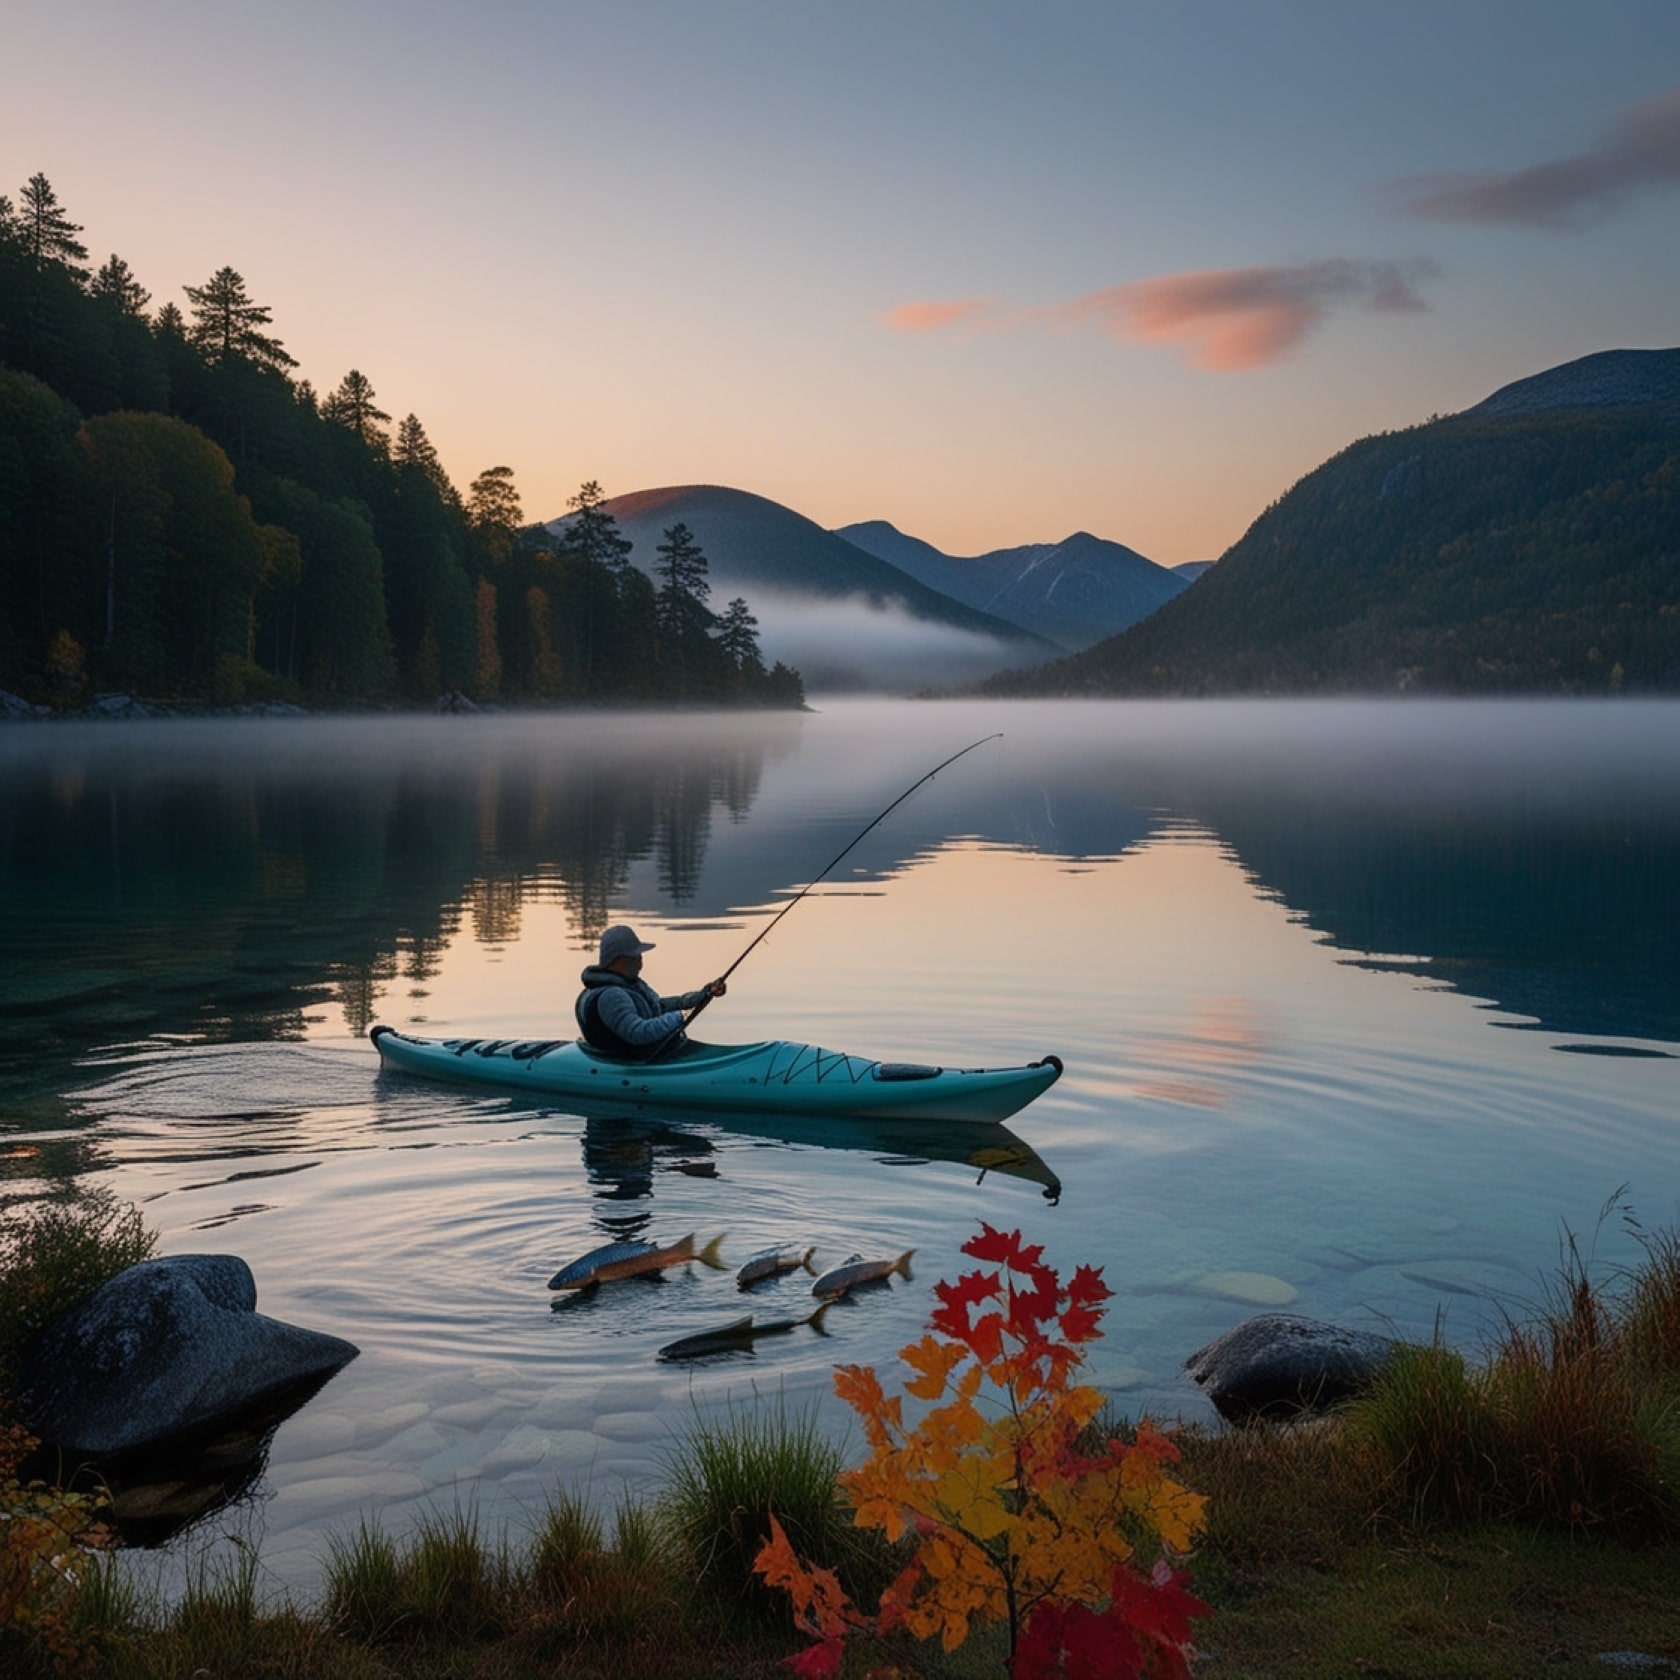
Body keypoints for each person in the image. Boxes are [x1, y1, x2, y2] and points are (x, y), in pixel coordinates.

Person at [575, 924, 727, 1059]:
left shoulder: (629, 984)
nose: (640, 962)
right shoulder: (611, 996)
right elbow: (637, 1033)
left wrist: (705, 994)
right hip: (629, 1064)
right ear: (618, 960)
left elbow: (658, 1007)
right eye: (636, 956)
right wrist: (680, 1016)